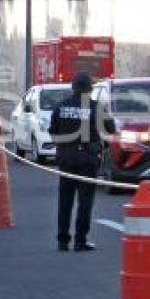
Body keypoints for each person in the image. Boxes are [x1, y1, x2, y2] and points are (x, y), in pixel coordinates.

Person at [48, 71, 113, 252]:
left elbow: (53, 133)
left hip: (66, 159)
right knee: (85, 202)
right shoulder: (96, 107)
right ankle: (80, 240)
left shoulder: (61, 106)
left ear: (73, 87)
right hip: (88, 160)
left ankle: (62, 241)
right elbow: (112, 129)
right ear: (90, 88)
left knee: (65, 200)